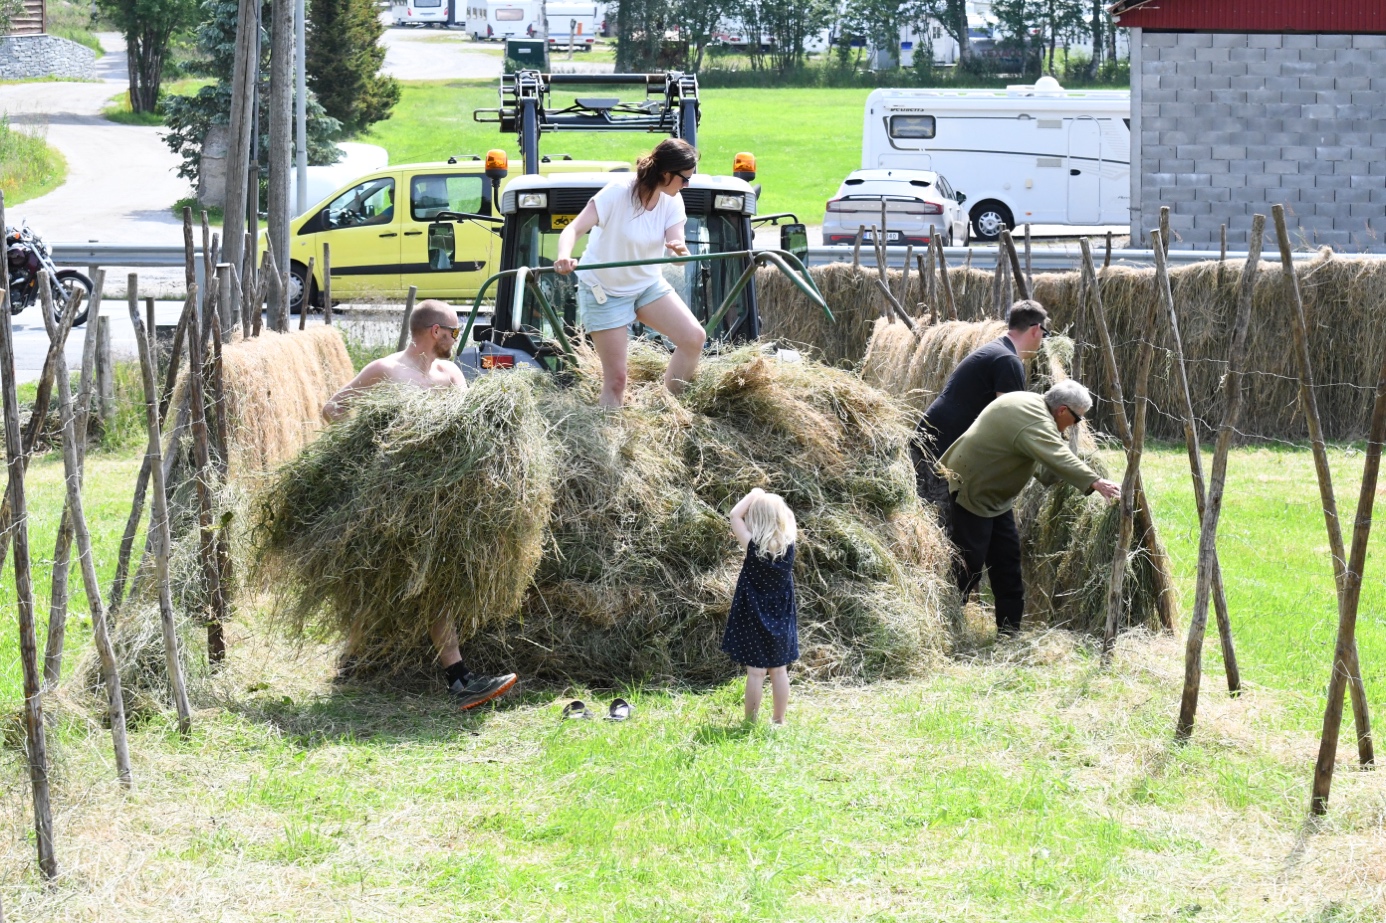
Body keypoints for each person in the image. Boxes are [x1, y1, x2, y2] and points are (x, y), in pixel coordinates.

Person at [322, 299, 518, 710]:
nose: (457, 337)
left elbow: (469, 423)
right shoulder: (386, 371)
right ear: (434, 331)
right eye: (453, 330)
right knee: (383, 578)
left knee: (435, 583)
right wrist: (375, 431)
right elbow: (332, 409)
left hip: (442, 499)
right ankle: (366, 663)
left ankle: (453, 677)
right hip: (394, 498)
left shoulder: (449, 373)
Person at [938, 380, 1121, 637]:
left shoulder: (1031, 406)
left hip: (995, 499)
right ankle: (946, 628)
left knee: (1008, 563)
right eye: (1077, 419)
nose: (1074, 425)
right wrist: (1095, 481)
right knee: (968, 565)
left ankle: (1009, 634)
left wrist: (1072, 472)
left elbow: (1045, 469)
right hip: (970, 490)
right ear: (1062, 411)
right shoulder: (1034, 419)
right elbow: (1056, 454)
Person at [552, 138, 707, 408]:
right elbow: (573, 229)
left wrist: (681, 252)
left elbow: (677, 255)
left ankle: (668, 411)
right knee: (617, 380)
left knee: (694, 338)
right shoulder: (618, 191)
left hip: (647, 286)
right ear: (666, 173)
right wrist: (564, 256)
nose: (687, 185)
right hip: (605, 291)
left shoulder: (673, 201)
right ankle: (606, 441)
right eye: (685, 179)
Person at [912, 300, 1051, 503]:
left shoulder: (997, 351)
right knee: (941, 517)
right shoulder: (1008, 361)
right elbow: (1011, 423)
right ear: (1036, 329)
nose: (1042, 341)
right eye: (1045, 334)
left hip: (936, 440)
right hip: (942, 447)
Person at [721, 488, 799, 725]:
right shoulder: (789, 545)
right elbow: (791, 519)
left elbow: (735, 515)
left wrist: (755, 494)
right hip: (781, 617)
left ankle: (750, 722)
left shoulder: (752, 546)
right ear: (781, 518)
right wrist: (776, 504)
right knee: (779, 670)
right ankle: (778, 721)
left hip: (753, 614)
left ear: (756, 519)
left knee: (755, 672)